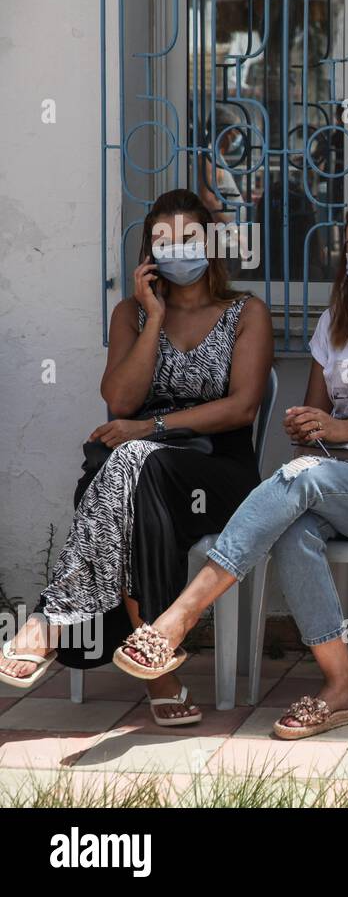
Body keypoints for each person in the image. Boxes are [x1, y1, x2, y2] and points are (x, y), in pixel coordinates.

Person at [112, 194, 348, 740]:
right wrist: (310, 426)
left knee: (300, 479)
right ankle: (341, 686)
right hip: (342, 481)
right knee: (292, 527)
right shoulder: (336, 322)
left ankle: (177, 620)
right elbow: (317, 417)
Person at [0, 189, 273, 725]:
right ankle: (160, 671)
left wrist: (152, 427)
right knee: (132, 478)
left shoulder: (246, 312)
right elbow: (119, 401)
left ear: (213, 244)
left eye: (189, 238)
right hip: (143, 478)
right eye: (163, 240)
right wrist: (153, 314)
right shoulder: (132, 312)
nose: (177, 249)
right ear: (148, 253)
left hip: (215, 473)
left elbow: (242, 408)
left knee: (124, 464)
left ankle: (51, 624)